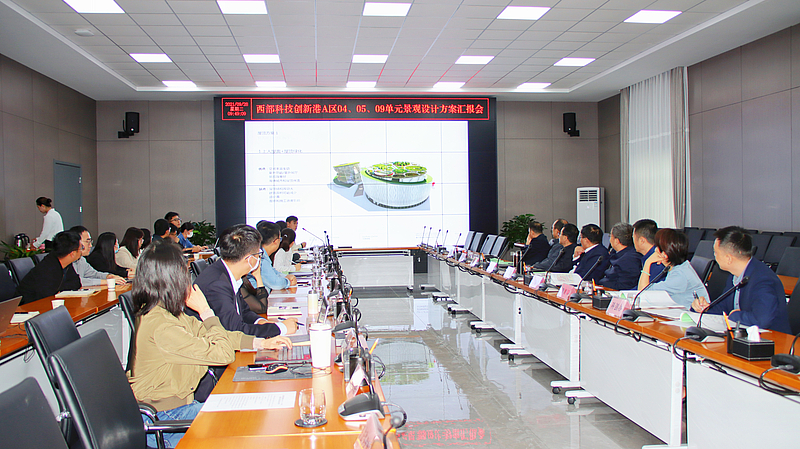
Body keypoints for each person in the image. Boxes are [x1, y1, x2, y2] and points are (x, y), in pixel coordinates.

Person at [129, 240, 291, 448]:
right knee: (252, 426)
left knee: (255, 417)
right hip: (166, 419)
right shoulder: (162, 326)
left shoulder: (167, 313)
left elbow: (218, 335)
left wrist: (260, 343)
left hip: (180, 408)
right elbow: (223, 354)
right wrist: (206, 312)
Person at [189, 224, 298, 338]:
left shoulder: (228, 273)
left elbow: (243, 311)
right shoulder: (217, 284)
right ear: (250, 259)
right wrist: (280, 328)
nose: (259, 259)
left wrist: (260, 321)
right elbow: (235, 330)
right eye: (259, 254)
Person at [692, 227, 791, 333]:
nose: (714, 256)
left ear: (728, 258)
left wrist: (735, 315)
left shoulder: (763, 278)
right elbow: (723, 308)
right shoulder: (734, 275)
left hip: (772, 338)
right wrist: (703, 308)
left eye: (716, 253)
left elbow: (762, 319)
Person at [637, 229, 708, 308]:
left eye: (657, 247)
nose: (655, 250)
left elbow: (643, 292)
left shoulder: (680, 275)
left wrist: (647, 263)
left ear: (665, 254)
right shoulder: (681, 267)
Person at [16, 231, 82, 304]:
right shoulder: (47, 268)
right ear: (72, 253)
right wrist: (61, 289)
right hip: (28, 306)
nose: (82, 251)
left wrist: (60, 290)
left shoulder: (65, 262)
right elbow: (47, 296)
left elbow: (76, 283)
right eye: (81, 248)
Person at [598, 222, 642, 290]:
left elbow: (625, 285)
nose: (610, 240)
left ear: (617, 241)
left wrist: (601, 285)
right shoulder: (616, 253)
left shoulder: (629, 259)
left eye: (610, 236)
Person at [257, 221, 298, 291]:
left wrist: (286, 276)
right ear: (276, 241)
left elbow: (274, 272)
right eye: (280, 239)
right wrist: (288, 282)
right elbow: (275, 284)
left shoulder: (263, 255)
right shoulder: (261, 259)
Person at [632, 219, 665, 283]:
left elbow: (647, 287)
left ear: (642, 241)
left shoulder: (657, 260)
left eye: (633, 238)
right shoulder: (649, 255)